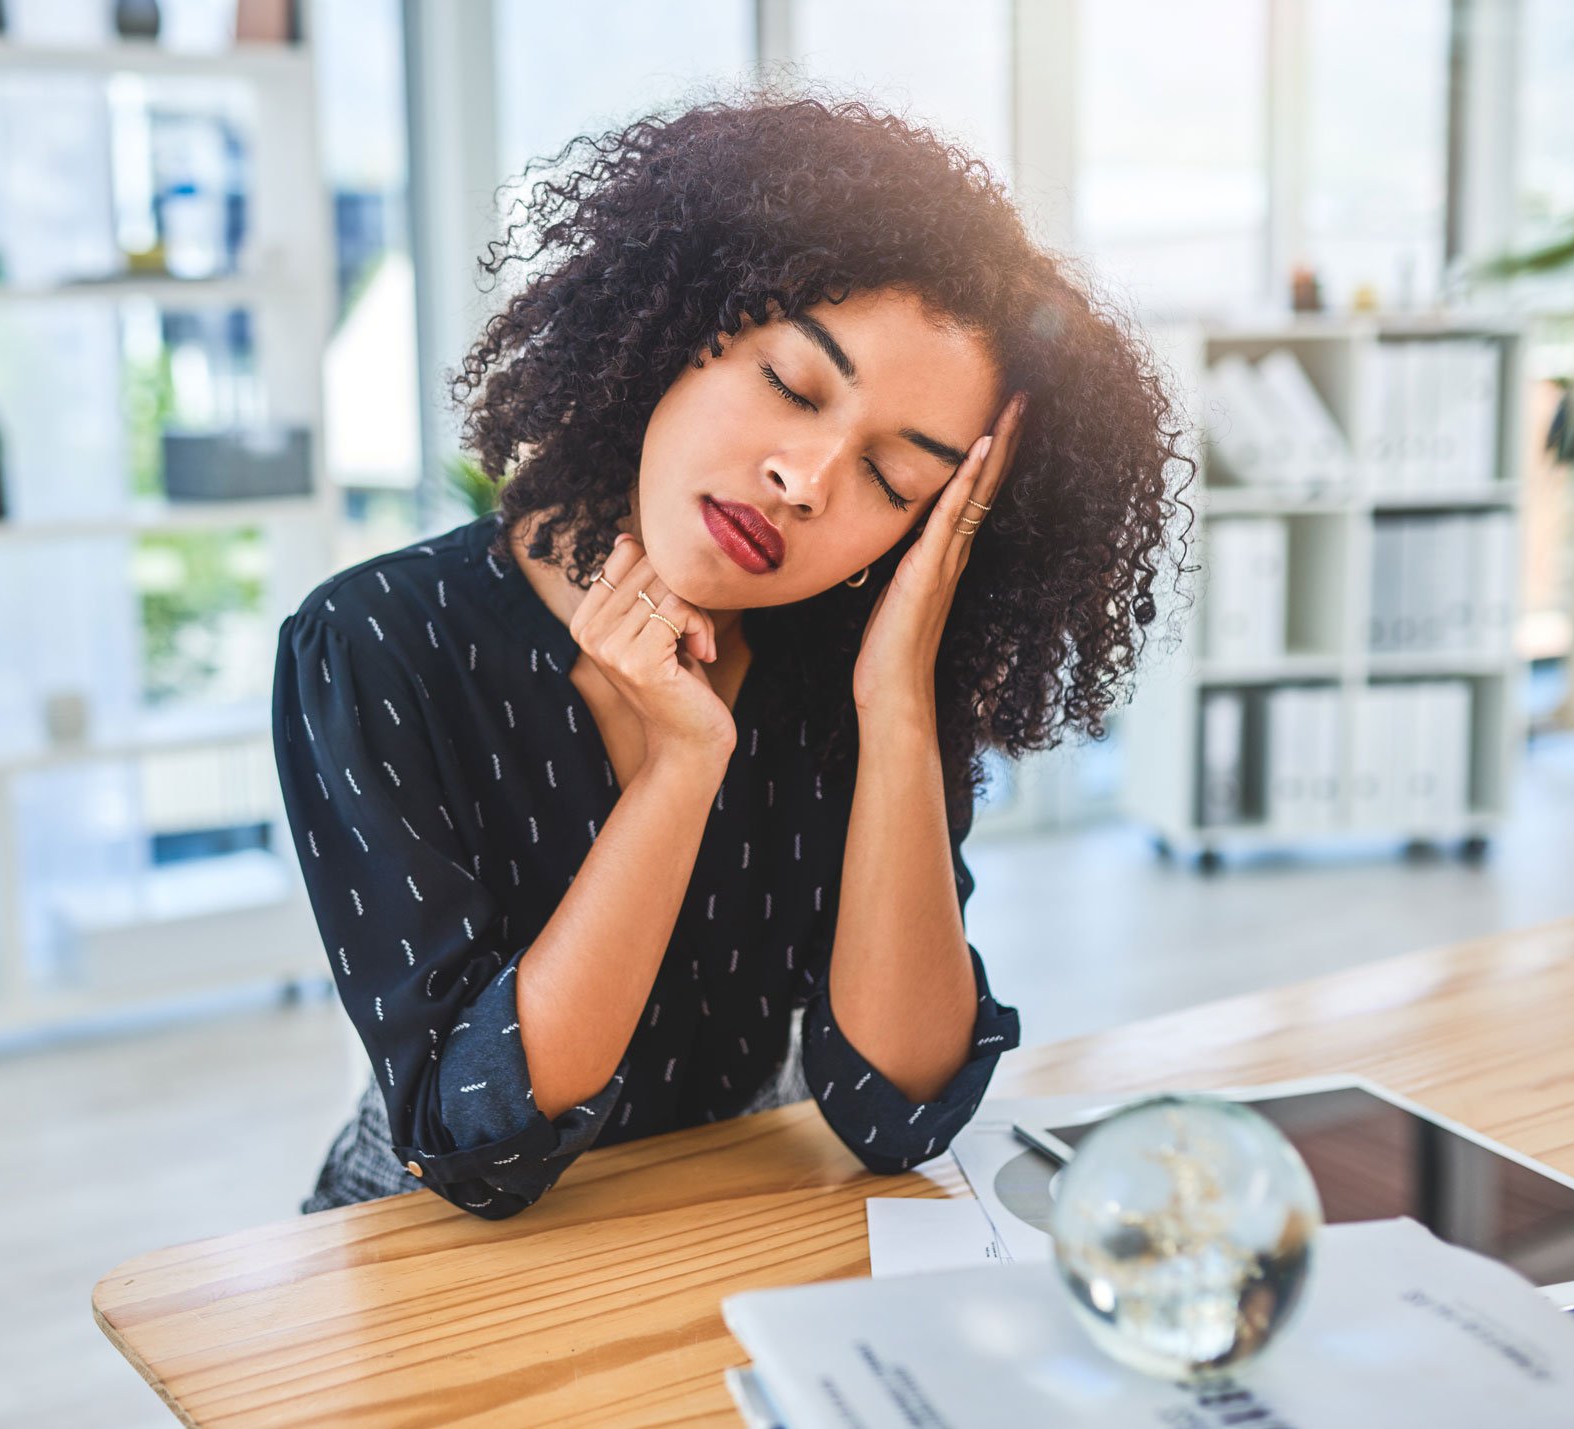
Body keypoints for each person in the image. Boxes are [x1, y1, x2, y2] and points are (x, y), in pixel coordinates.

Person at [272, 89, 1192, 1219]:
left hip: (715, 1230)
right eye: (791, 386)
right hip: (423, 1258)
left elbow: (893, 1112)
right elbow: (479, 1144)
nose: (805, 481)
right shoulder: (374, 642)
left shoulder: (853, 680)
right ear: (672, 333)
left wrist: (899, 703)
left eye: (892, 481)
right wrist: (680, 764)